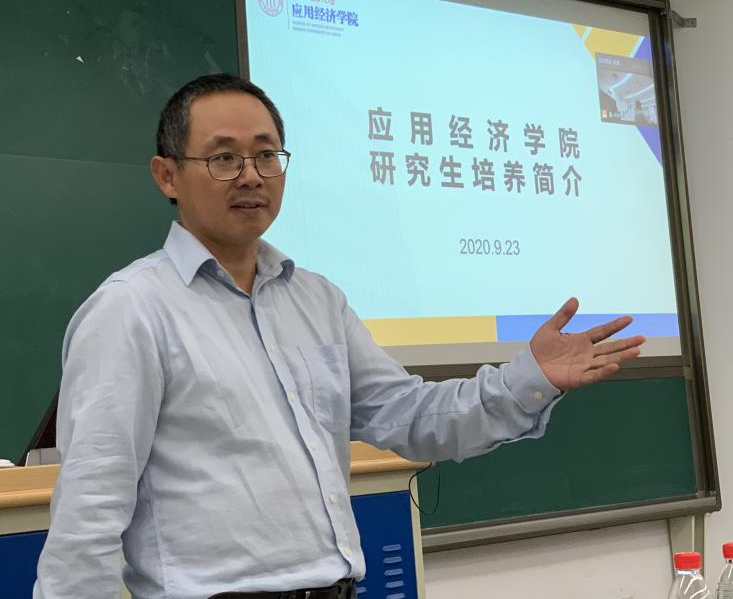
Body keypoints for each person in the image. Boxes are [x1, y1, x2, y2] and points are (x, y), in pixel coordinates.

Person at [33, 74, 645, 599]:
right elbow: (90, 510)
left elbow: (410, 417)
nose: (251, 176)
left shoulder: (317, 300)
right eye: (223, 158)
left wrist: (528, 380)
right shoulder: (131, 310)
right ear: (167, 175)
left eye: (267, 155)